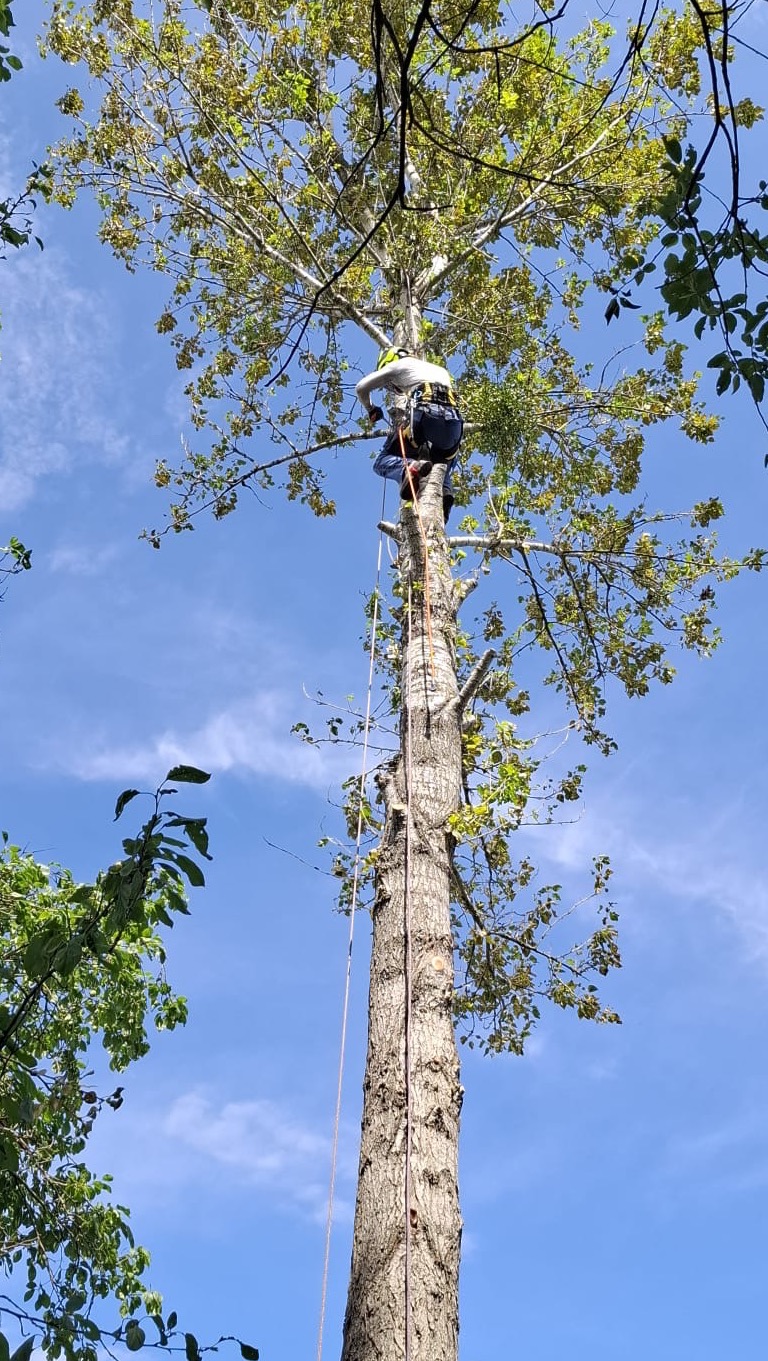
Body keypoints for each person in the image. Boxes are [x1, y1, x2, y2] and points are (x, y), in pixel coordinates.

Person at [355, 347, 463, 521]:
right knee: (448, 457)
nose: (392, 388)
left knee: (382, 461)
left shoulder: (399, 365)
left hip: (424, 419)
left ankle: (408, 468)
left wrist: (371, 408)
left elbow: (361, 388)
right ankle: (445, 488)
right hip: (454, 427)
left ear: (389, 360)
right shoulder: (440, 370)